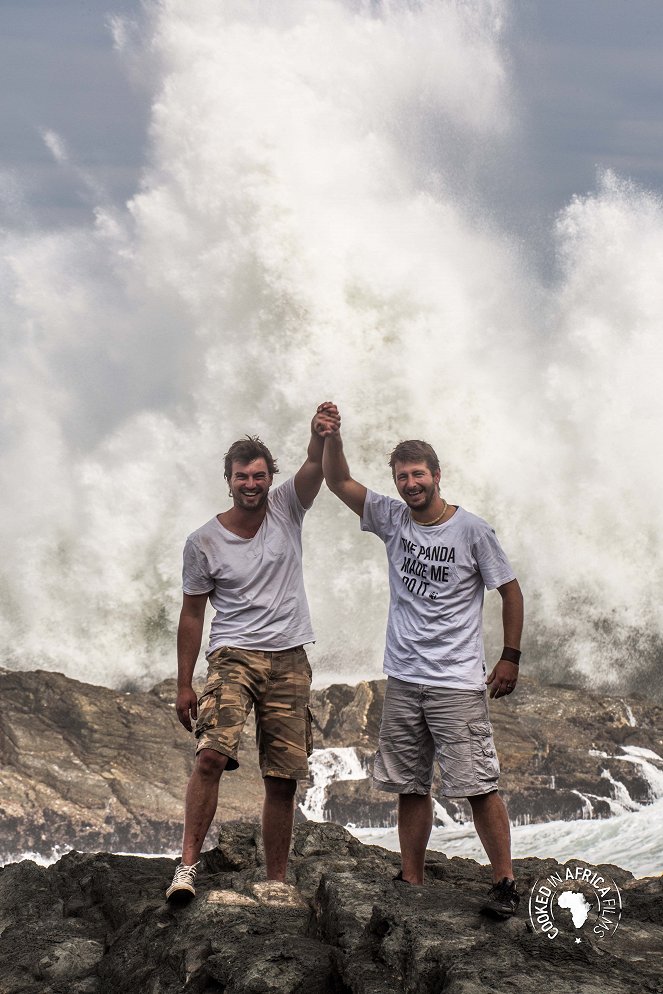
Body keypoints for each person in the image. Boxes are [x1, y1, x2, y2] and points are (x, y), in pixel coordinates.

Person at [319, 408, 524, 917]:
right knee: (410, 784)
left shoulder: (472, 530)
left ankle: (504, 882)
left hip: (456, 681)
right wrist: (332, 436)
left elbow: (511, 592)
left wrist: (509, 658)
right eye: (402, 477)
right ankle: (411, 877)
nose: (411, 484)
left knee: (478, 784)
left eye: (419, 474)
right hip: (405, 679)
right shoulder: (391, 518)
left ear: (437, 475)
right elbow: (337, 479)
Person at [166, 403, 339, 904]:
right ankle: (187, 868)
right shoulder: (202, 542)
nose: (251, 483)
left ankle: (278, 879)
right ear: (229, 480)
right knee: (211, 756)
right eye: (242, 476)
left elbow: (314, 466)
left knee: (283, 776)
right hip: (232, 656)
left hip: (289, 657)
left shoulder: (287, 507)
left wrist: (321, 436)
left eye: (259, 475)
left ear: (269, 478)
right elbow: (192, 615)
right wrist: (183, 683)